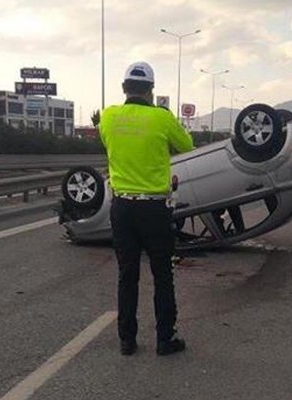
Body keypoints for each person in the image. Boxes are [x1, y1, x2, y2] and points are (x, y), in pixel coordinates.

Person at [99, 62, 194, 356]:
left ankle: (127, 340)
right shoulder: (161, 118)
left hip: (123, 208)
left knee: (127, 274)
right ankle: (165, 339)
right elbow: (187, 145)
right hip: (154, 208)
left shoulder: (109, 116)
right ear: (151, 91)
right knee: (162, 273)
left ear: (124, 88)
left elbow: (109, 145)